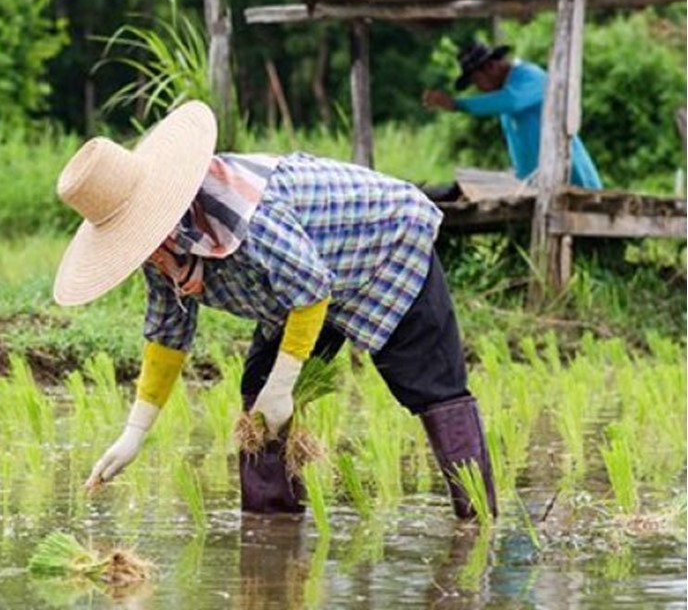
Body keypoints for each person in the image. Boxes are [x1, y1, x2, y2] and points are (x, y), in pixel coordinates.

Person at [53, 101, 495, 520]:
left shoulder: (246, 212)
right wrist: (136, 431)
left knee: (432, 385)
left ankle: (477, 523)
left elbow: (309, 288)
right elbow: (169, 331)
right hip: (306, 281)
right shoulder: (157, 247)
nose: (144, 253)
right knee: (259, 397)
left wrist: (285, 385)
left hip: (383, 244)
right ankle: (272, 531)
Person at [423, 42, 602, 189]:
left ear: (491, 67)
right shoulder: (506, 100)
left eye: (477, 81)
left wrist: (457, 105)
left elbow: (512, 101)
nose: (479, 89)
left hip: (574, 181)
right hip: (541, 186)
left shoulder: (529, 76)